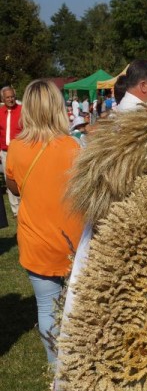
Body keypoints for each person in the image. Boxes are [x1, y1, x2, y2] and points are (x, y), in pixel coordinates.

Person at [5, 79, 83, 364]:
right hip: (73, 240)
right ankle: (81, 364)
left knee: (47, 308)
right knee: (80, 308)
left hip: (36, 239)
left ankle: (56, 369)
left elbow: (14, 188)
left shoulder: (16, 148)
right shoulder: (74, 146)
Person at [0, 86, 23, 217]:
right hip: (5, 152)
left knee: (21, 178)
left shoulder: (22, 111)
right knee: (9, 180)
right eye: (7, 97)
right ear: (3, 99)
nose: (10, 99)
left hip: (20, 151)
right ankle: (15, 210)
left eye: (12, 97)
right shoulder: (0, 112)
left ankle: (25, 205)